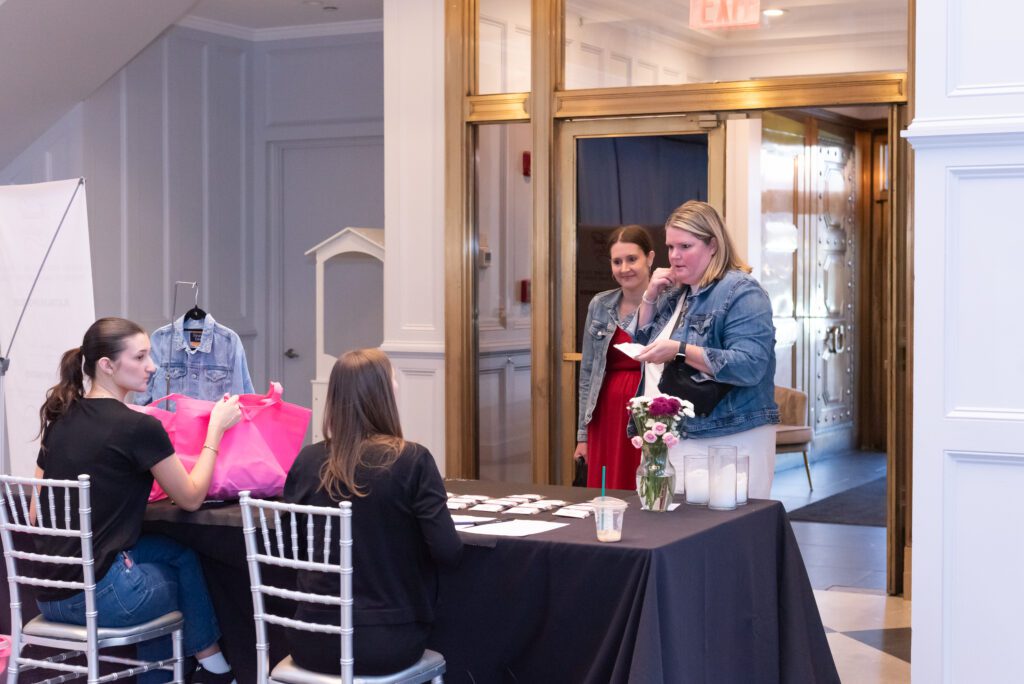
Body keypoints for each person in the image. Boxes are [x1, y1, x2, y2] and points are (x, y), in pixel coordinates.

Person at [33, 317, 243, 683]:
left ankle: (209, 659)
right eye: (141, 357)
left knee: (176, 553)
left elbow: (38, 510)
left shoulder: (61, 417)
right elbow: (191, 498)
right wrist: (216, 430)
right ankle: (210, 663)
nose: (153, 366)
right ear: (107, 366)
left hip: (47, 594)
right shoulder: (138, 427)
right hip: (99, 598)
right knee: (177, 580)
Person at [283, 348, 462, 676]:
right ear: (383, 394)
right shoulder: (412, 461)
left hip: (309, 637)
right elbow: (448, 552)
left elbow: (291, 543)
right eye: (393, 380)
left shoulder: (307, 461)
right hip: (386, 640)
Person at [635, 201, 780, 497]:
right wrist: (649, 296)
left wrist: (680, 350)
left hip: (729, 436)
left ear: (713, 245)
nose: (674, 256)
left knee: (723, 536)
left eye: (685, 246)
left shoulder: (742, 290)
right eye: (670, 247)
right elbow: (642, 340)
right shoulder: (678, 292)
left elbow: (750, 365)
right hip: (674, 434)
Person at [575, 225, 656, 489]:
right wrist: (583, 436)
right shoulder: (600, 304)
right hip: (605, 412)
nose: (624, 268)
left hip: (650, 409)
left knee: (647, 484)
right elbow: (588, 373)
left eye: (632, 259)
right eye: (617, 261)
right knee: (605, 489)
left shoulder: (670, 302)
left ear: (650, 258)